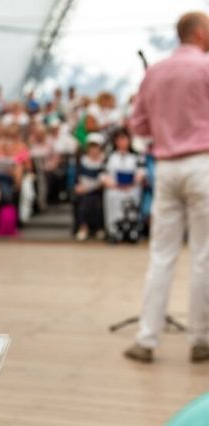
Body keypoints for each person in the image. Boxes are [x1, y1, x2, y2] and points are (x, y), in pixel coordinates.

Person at [124, 11, 209, 364]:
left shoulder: (154, 72)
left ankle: (146, 338)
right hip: (203, 163)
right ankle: (201, 338)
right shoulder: (206, 67)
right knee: (204, 255)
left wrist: (166, 127)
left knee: (161, 255)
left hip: (166, 167)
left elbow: (137, 126)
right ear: (200, 33)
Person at [102, 129, 144, 242]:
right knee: (112, 196)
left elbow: (141, 173)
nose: (122, 142)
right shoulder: (110, 156)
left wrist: (131, 184)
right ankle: (114, 232)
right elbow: (104, 175)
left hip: (131, 188)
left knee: (132, 200)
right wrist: (116, 185)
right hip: (115, 188)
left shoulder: (136, 156)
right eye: (119, 139)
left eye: (124, 139)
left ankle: (132, 231)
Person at [73, 133, 106, 242]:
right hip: (84, 190)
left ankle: (98, 228)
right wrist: (78, 187)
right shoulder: (82, 161)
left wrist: (88, 188)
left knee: (94, 200)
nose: (94, 150)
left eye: (96, 147)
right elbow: (78, 178)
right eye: (91, 147)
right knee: (83, 200)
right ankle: (83, 228)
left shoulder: (104, 161)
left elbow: (102, 180)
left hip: (98, 191)